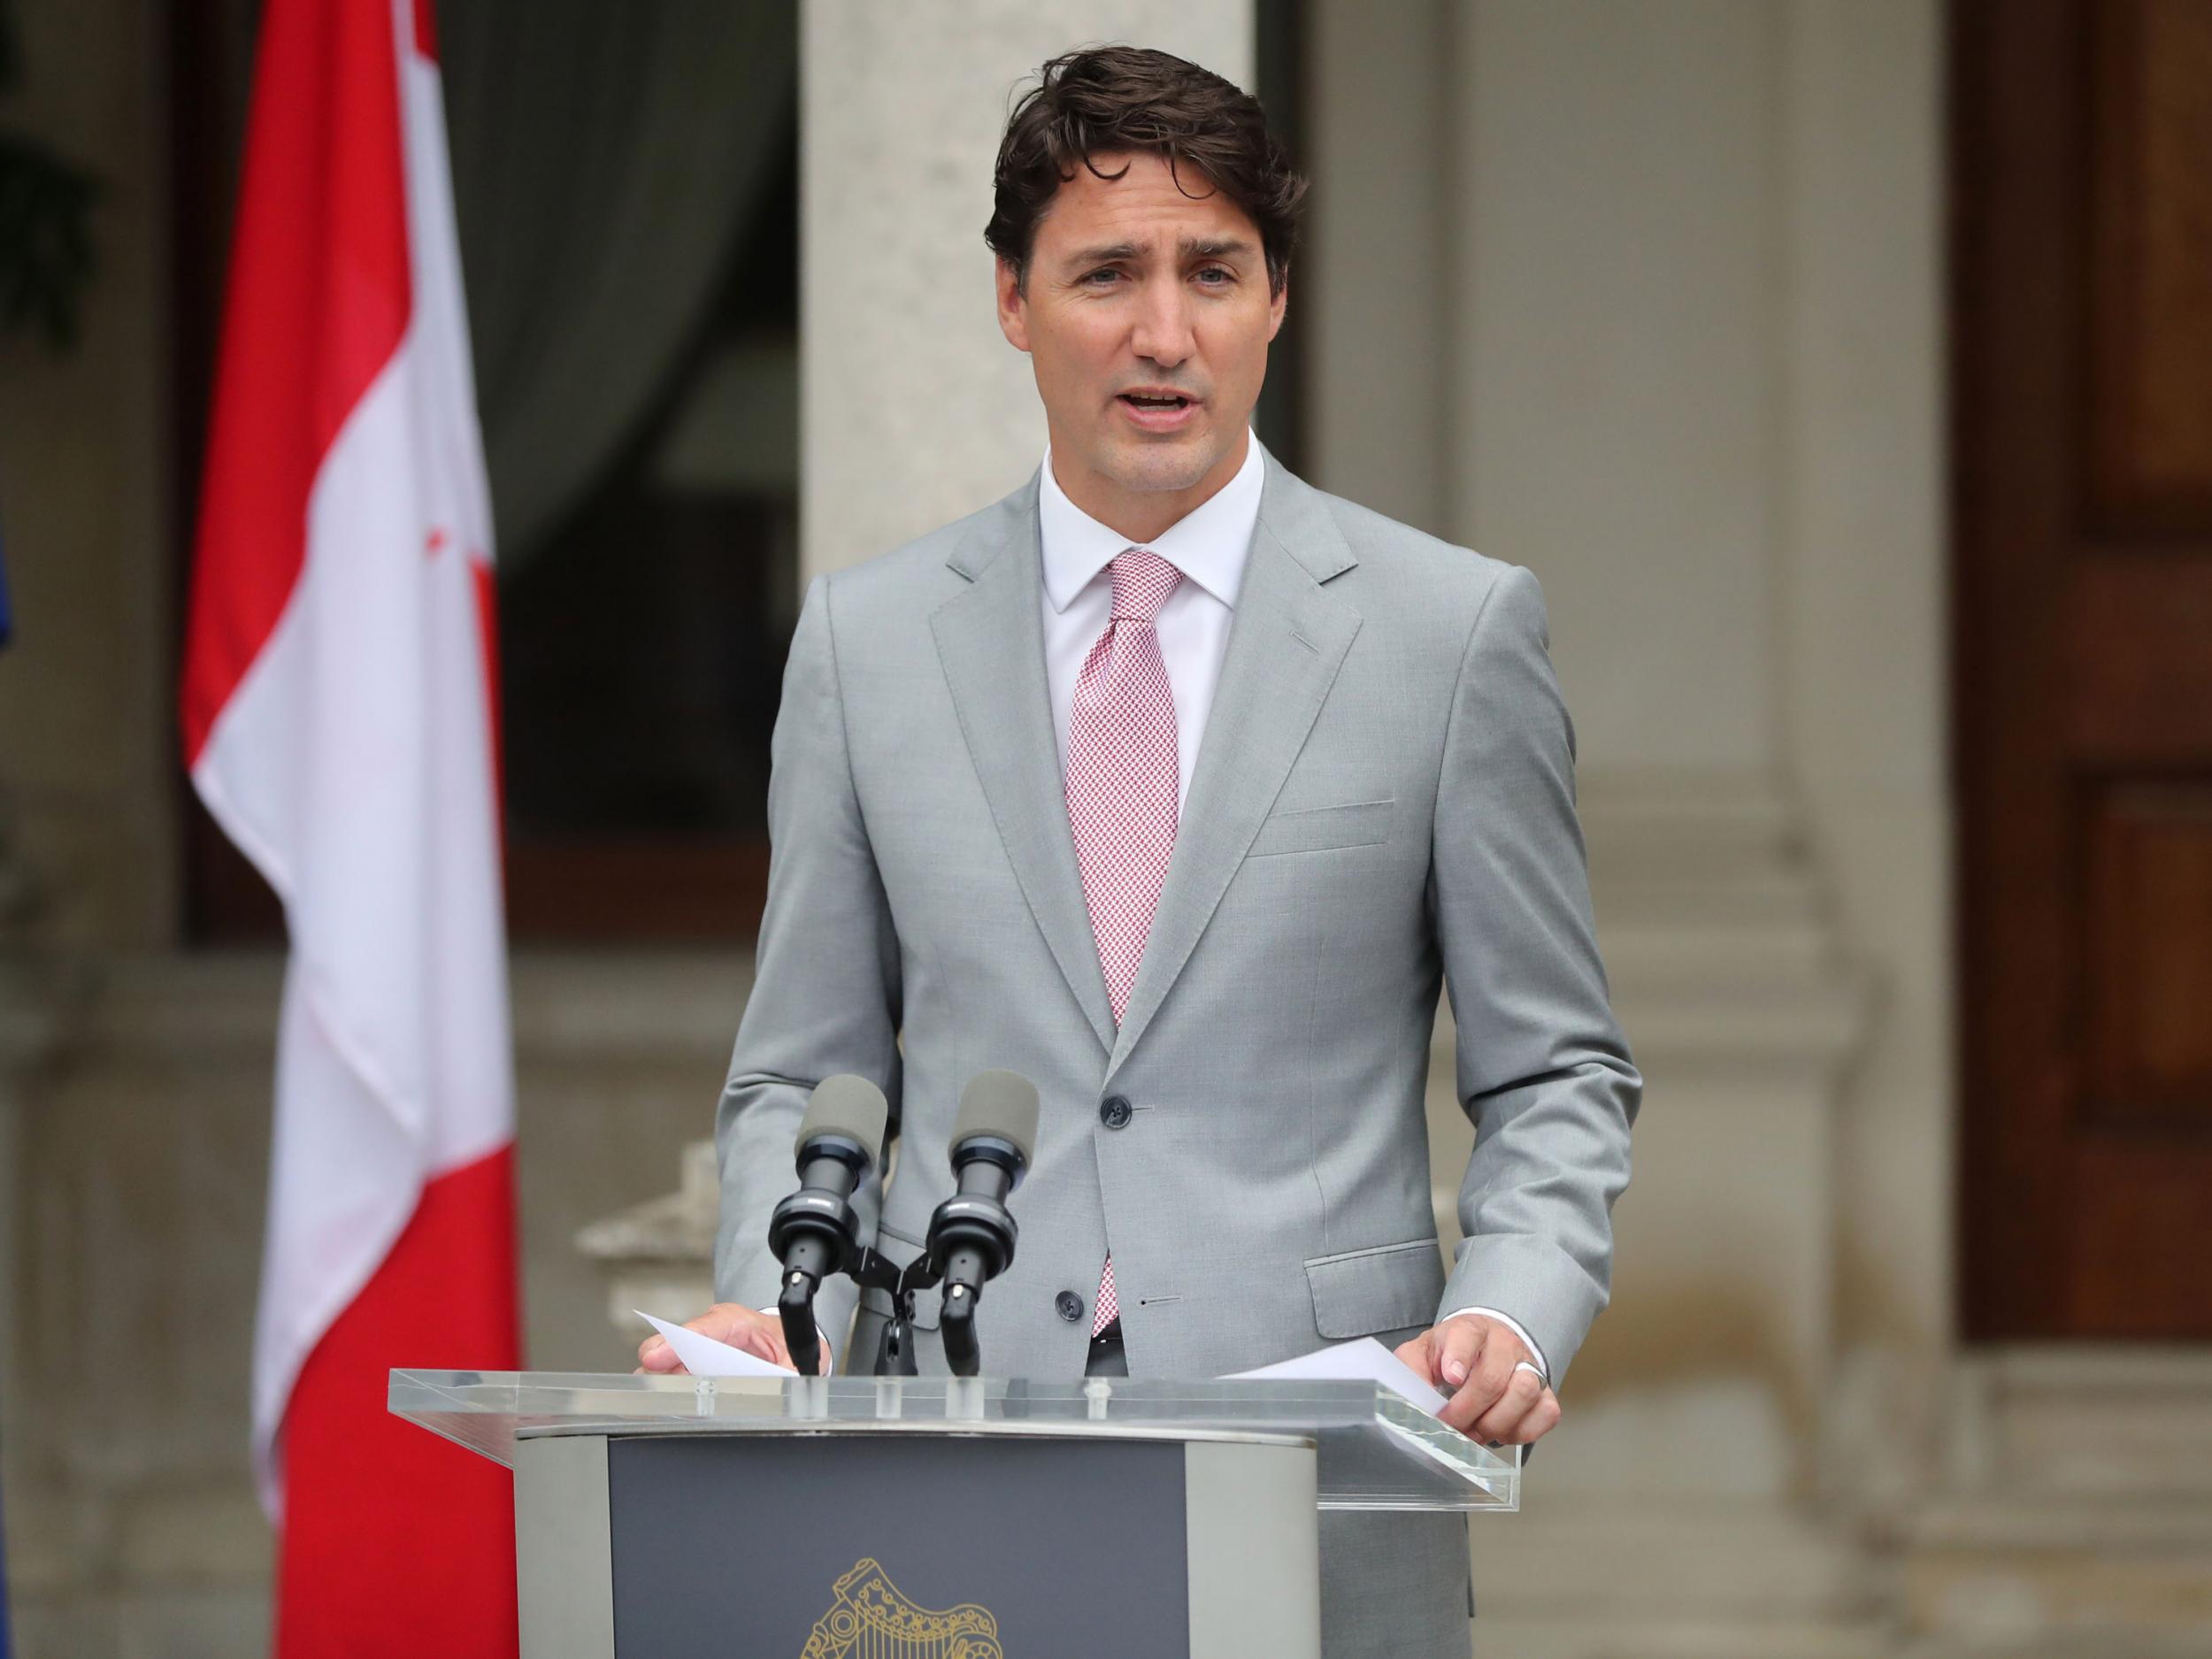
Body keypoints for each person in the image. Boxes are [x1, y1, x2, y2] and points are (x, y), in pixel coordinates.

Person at [640, 44, 1640, 1657]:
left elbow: (1556, 1074)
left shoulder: (1450, 635)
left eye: (1212, 272)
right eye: (1107, 272)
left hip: (1327, 1485)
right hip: (947, 1487)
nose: (1164, 333)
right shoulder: (865, 643)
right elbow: (798, 1072)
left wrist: (1513, 1303)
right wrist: (779, 1300)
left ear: (1276, 301)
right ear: (1015, 302)